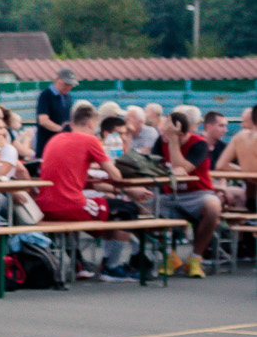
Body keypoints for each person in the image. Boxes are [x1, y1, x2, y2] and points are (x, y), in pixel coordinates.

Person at [36, 100, 140, 277]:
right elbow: (116, 176)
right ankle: (112, 267)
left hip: (44, 205)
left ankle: (85, 263)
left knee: (110, 209)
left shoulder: (56, 138)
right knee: (127, 210)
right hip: (68, 205)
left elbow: (72, 177)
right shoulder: (90, 140)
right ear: (92, 123)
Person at [158, 109, 222, 276]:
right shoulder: (161, 142)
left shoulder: (199, 143)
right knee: (142, 209)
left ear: (180, 133)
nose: (162, 134)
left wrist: (172, 142)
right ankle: (169, 256)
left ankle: (195, 259)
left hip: (198, 193)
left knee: (213, 209)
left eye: (166, 131)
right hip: (169, 194)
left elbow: (182, 169)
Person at [34, 67, 75, 158]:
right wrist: (62, 129)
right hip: (47, 146)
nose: (68, 87)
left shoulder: (67, 97)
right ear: (57, 79)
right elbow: (43, 120)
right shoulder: (46, 95)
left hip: (62, 145)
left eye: (71, 85)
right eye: (66, 83)